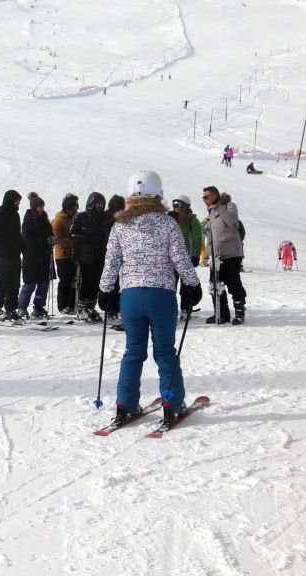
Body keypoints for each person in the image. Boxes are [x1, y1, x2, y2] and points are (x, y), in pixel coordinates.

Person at [98, 171, 201, 427]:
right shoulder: (167, 224)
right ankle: (172, 403)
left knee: (133, 352)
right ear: (159, 194)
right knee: (165, 352)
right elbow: (179, 257)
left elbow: (111, 262)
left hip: (130, 296)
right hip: (161, 295)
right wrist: (192, 284)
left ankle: (125, 404)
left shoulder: (120, 225)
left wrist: (105, 289)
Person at [202, 186, 247, 324]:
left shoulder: (229, 206)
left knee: (233, 283)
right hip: (216, 256)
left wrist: (218, 208)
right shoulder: (211, 212)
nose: (204, 200)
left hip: (231, 253)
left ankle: (239, 312)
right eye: (203, 197)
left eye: (207, 196)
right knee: (215, 285)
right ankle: (221, 313)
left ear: (215, 195)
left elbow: (231, 220)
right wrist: (208, 254)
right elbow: (211, 235)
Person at [70, 191, 110, 322]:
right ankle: (82, 307)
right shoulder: (81, 217)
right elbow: (72, 234)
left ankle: (91, 306)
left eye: (102, 203)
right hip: (85, 256)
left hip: (99, 255)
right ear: (91, 203)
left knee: (96, 282)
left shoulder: (104, 218)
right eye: (98, 203)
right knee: (85, 282)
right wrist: (85, 238)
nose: (100, 205)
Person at [0, 190, 23, 321]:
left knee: (14, 284)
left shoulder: (15, 216)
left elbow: (17, 236)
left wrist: (22, 247)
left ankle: (11, 309)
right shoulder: (0, 215)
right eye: (16, 201)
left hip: (14, 256)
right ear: (10, 200)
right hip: (2, 256)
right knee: (2, 283)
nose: (18, 203)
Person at [18, 193, 53, 320]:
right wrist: (44, 240)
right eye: (39, 207)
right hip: (31, 258)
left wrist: (51, 238)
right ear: (34, 207)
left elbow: (50, 232)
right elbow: (28, 239)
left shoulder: (45, 219)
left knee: (43, 284)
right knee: (30, 284)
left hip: (44, 257)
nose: (41, 209)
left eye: (42, 206)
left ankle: (38, 307)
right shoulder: (27, 220)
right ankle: (22, 307)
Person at [167, 195, 203, 318]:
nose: (176, 207)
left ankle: (185, 309)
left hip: (186, 258)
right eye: (174, 204)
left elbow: (197, 239)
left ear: (186, 206)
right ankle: (169, 310)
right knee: (171, 284)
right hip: (170, 259)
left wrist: (195, 256)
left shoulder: (192, 220)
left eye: (179, 204)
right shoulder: (170, 218)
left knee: (186, 284)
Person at [52, 194, 79, 314]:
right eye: (75, 206)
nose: (77, 209)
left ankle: (72, 304)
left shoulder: (72, 219)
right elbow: (57, 239)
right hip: (62, 255)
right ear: (68, 208)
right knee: (65, 280)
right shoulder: (58, 221)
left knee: (74, 280)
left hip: (73, 255)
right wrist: (72, 241)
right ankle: (62, 306)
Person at [103, 195, 126, 329]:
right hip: (110, 251)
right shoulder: (111, 218)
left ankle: (115, 308)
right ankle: (112, 310)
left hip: (114, 252)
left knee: (118, 282)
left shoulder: (119, 218)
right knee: (114, 282)